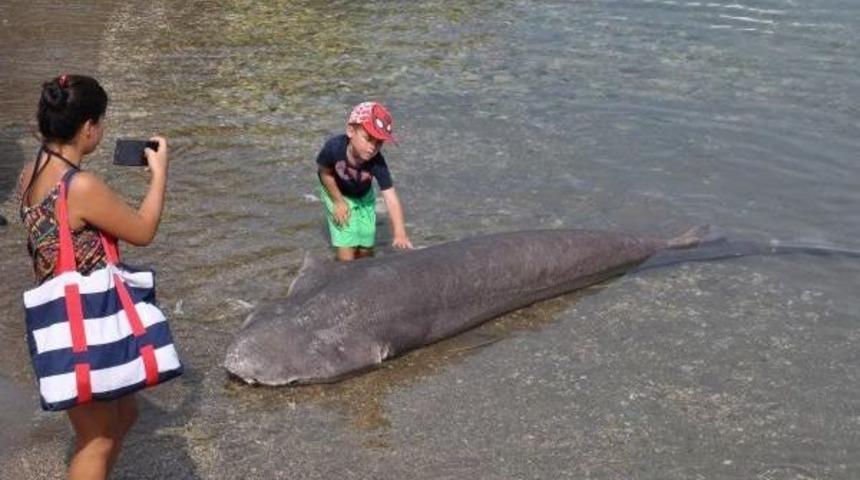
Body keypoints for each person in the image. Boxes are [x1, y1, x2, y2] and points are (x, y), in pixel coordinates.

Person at [17, 74, 169, 480]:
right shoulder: (80, 186)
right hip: (82, 323)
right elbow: (143, 230)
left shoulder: (30, 172)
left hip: (67, 315)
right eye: (100, 122)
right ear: (88, 128)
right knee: (97, 438)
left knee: (125, 413)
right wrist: (159, 175)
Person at [316, 101, 413, 261]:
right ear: (350, 131)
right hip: (337, 191)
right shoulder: (333, 148)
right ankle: (345, 270)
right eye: (368, 138)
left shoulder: (377, 162)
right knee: (347, 244)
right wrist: (338, 201)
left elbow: (391, 198)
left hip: (363, 195)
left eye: (379, 143)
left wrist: (400, 233)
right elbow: (324, 173)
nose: (372, 148)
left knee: (366, 245)